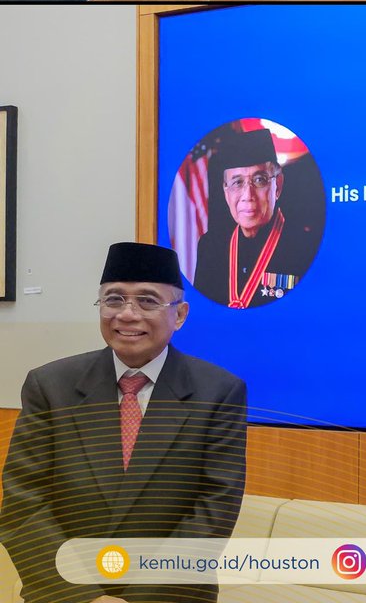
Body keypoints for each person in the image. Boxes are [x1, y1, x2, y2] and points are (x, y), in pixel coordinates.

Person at [0, 243, 246, 603]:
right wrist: (86, 596)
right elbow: (23, 504)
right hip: (65, 592)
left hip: (168, 594)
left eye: (147, 301)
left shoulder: (218, 391)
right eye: (113, 300)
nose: (127, 314)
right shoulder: (50, 386)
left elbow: (213, 510)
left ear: (180, 315)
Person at [192, 128, 323, 308]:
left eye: (259, 180)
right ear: (225, 191)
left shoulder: (307, 248)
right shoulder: (210, 246)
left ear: (277, 186)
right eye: (237, 182)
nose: (248, 195)